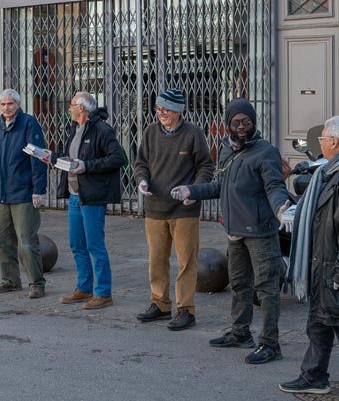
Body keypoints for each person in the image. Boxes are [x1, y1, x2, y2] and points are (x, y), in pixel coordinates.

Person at [172, 98, 291, 364]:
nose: (241, 127)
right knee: (239, 284)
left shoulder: (265, 152)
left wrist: (281, 208)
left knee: (267, 288)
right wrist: (191, 190)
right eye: (236, 122)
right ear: (227, 125)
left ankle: (270, 343)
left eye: (246, 122)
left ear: (254, 123)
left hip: (260, 232)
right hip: (234, 231)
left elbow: (274, 186)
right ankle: (240, 333)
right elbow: (219, 186)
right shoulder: (228, 150)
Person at [132, 88, 215, 330]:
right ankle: (160, 303)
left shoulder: (193, 134)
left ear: (179, 111)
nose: (161, 114)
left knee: (186, 261)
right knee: (156, 259)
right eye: (158, 109)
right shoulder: (150, 132)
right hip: (155, 206)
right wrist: (142, 180)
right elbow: (140, 164)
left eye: (166, 110)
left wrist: (195, 190)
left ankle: (186, 309)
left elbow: (206, 167)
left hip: (184, 208)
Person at [279, 116, 339, 395]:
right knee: (318, 323)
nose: (321, 143)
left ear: (334, 142)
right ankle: (314, 376)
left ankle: (314, 375)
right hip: (320, 264)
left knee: (329, 322)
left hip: (332, 268)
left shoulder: (334, 179)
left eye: (323, 139)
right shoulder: (325, 173)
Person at [52, 92, 125, 309]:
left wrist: (88, 166)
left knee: (95, 245)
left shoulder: (101, 129)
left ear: (82, 108)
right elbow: (72, 159)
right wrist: (53, 157)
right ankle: (84, 288)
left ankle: (103, 293)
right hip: (76, 195)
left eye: (72, 105)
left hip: (92, 196)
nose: (69, 109)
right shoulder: (73, 129)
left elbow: (118, 158)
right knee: (77, 244)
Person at [0, 89, 48, 299]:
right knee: (3, 240)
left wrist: (38, 190)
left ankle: (36, 283)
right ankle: (10, 280)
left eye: (10, 104)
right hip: (4, 192)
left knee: (27, 241)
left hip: (23, 193)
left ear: (18, 105)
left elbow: (38, 157)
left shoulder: (28, 123)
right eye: (3, 104)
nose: (6, 108)